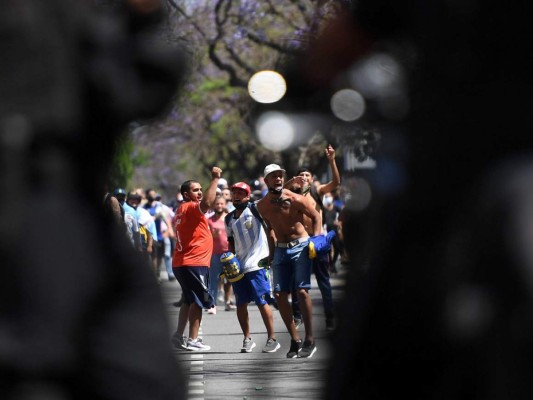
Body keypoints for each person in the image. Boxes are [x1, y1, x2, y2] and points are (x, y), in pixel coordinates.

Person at [256, 164, 322, 358]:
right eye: (273, 176)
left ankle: (310, 338)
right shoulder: (262, 205)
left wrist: (316, 241)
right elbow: (269, 228)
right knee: (279, 295)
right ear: (266, 180)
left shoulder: (295, 198)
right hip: (281, 251)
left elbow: (316, 216)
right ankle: (295, 339)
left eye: (280, 176)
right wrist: (271, 253)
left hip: (301, 245)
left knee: (301, 291)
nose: (277, 179)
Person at [285, 144, 341, 330]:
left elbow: (336, 183)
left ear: (312, 178)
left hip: (318, 242)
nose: (304, 178)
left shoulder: (319, 191)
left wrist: (332, 160)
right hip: (300, 242)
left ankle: (330, 317)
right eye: (301, 176)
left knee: (323, 281)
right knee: (296, 282)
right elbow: (276, 196)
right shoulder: (292, 194)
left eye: (307, 175)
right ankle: (298, 316)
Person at [223, 182, 280, 353]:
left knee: (262, 301)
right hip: (239, 268)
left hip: (257, 264)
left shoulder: (256, 209)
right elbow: (231, 242)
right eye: (234, 193)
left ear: (248, 196)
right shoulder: (229, 218)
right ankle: (247, 338)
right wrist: (230, 261)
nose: (237, 195)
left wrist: (272, 255)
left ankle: (272, 338)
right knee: (241, 304)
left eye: (241, 193)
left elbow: (270, 203)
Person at [170, 166, 222, 352]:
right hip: (194, 263)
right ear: (185, 194)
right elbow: (208, 203)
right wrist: (215, 179)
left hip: (183, 263)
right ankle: (193, 340)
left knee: (188, 299)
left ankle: (178, 336)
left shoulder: (181, 209)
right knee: (198, 301)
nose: (200, 192)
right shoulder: (191, 207)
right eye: (196, 190)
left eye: (201, 189)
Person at [206, 194, 235, 314]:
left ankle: (228, 302)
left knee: (230, 279)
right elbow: (206, 237)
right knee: (214, 279)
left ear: (225, 205)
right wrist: (213, 235)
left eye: (222, 203)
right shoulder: (209, 220)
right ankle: (212, 304)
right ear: (213, 205)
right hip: (215, 254)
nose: (219, 206)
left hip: (229, 253)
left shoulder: (230, 218)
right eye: (217, 204)